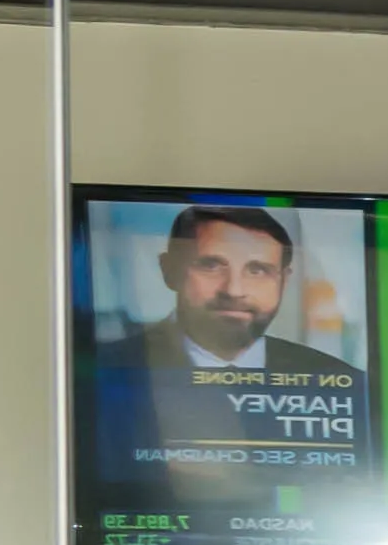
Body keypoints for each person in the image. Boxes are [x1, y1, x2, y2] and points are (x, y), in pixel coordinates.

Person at [86, 198, 366, 493]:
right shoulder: (102, 373)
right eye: (211, 266)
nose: (234, 290)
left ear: (284, 281)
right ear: (169, 270)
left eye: (257, 271)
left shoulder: (348, 385)